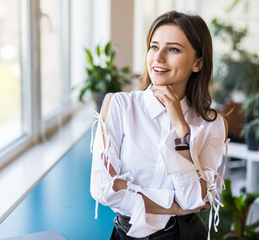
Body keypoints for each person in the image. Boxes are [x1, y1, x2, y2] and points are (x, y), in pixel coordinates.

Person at [90, 10, 229, 240]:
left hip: (183, 235)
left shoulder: (211, 125)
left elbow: (193, 200)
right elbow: (103, 189)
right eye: (154, 47)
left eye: (173, 49)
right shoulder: (118, 106)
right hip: (125, 234)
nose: (158, 57)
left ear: (198, 63)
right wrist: (174, 207)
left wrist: (181, 131)